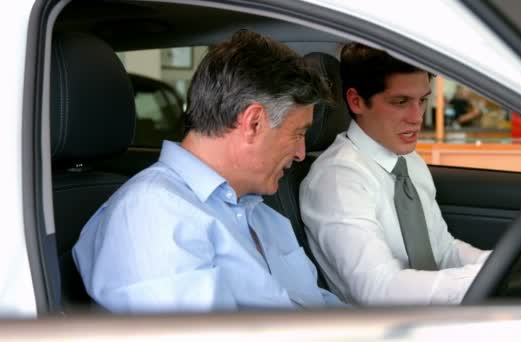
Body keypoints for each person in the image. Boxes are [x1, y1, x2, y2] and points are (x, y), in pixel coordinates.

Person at [73, 30, 344, 313]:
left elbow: (318, 307)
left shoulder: (261, 214)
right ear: (253, 123)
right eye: (298, 133)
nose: (301, 152)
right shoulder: (153, 213)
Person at [300, 43, 491, 306]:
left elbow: (443, 250)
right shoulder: (337, 180)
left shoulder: (409, 161)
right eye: (400, 102)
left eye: (422, 100)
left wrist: (494, 266)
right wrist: (480, 279)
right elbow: (378, 289)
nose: (416, 117)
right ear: (356, 101)